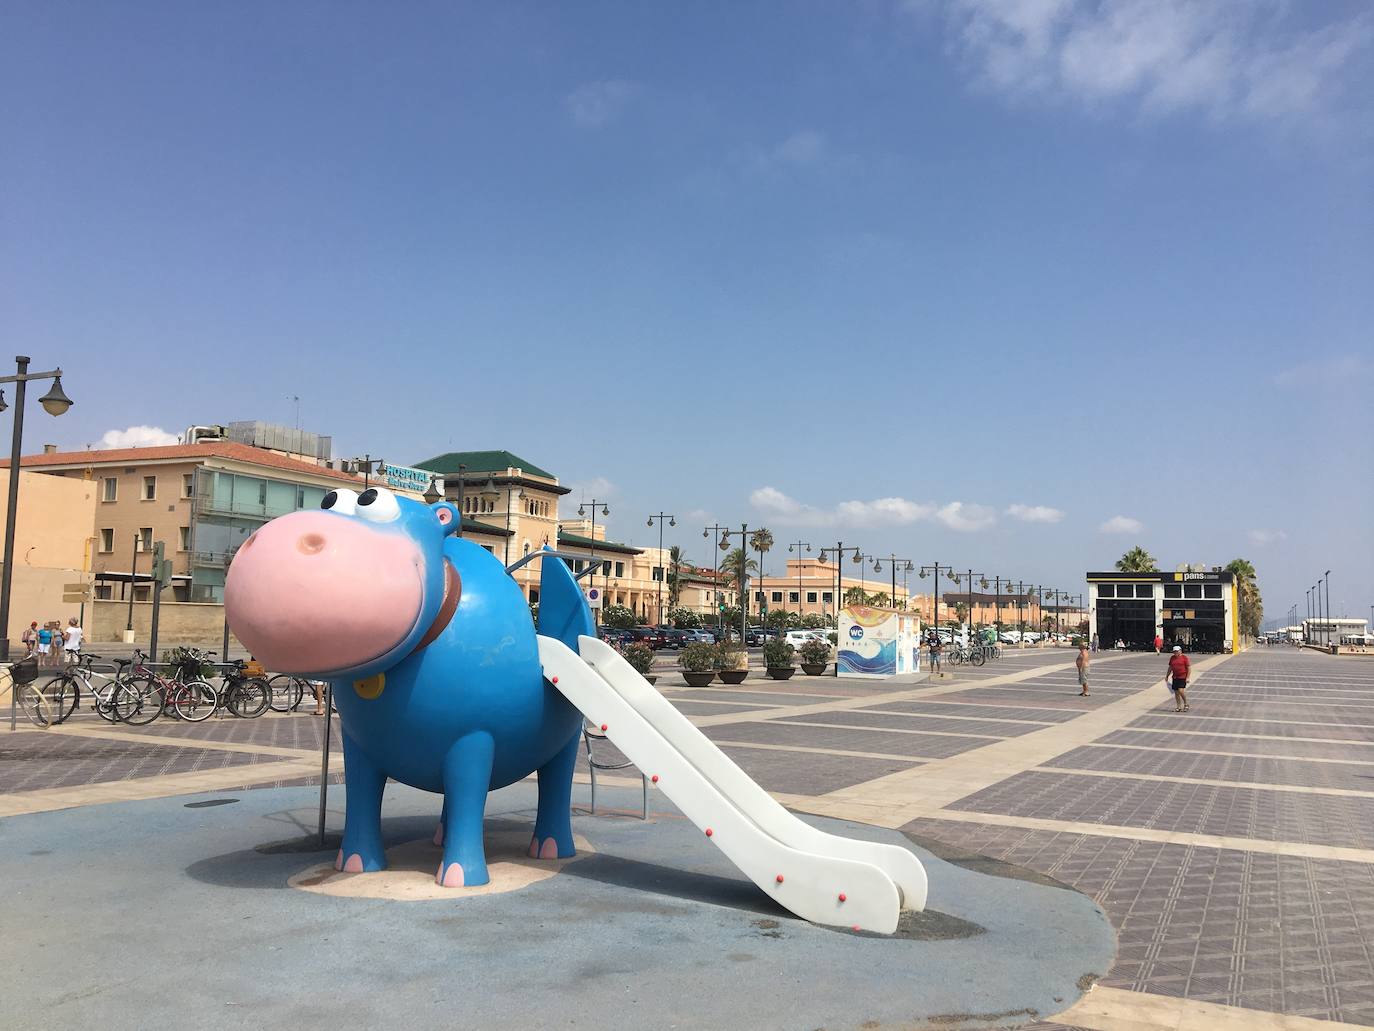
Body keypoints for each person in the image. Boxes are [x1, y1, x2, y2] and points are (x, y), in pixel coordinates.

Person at [1167, 644, 1191, 712]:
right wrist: (1167, 676)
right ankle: (1178, 706)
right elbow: (1170, 667)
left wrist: (1188, 677)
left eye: (1177, 651)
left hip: (1182, 677)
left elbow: (1189, 668)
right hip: (1175, 677)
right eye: (1174, 651)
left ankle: (1186, 703)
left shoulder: (1184, 658)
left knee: (1181, 691)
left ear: (1180, 651)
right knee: (1176, 692)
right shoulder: (1172, 658)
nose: (1175, 653)